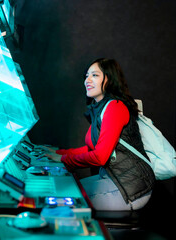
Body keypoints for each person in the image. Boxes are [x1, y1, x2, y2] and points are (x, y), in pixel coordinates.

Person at [43, 58, 155, 211]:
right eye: (87, 76)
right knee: (65, 191)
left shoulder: (115, 107)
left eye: (95, 75)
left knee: (63, 203)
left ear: (109, 79)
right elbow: (91, 149)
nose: (87, 80)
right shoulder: (100, 108)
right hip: (115, 179)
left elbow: (100, 156)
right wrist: (59, 154)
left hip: (130, 188)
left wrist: (64, 159)